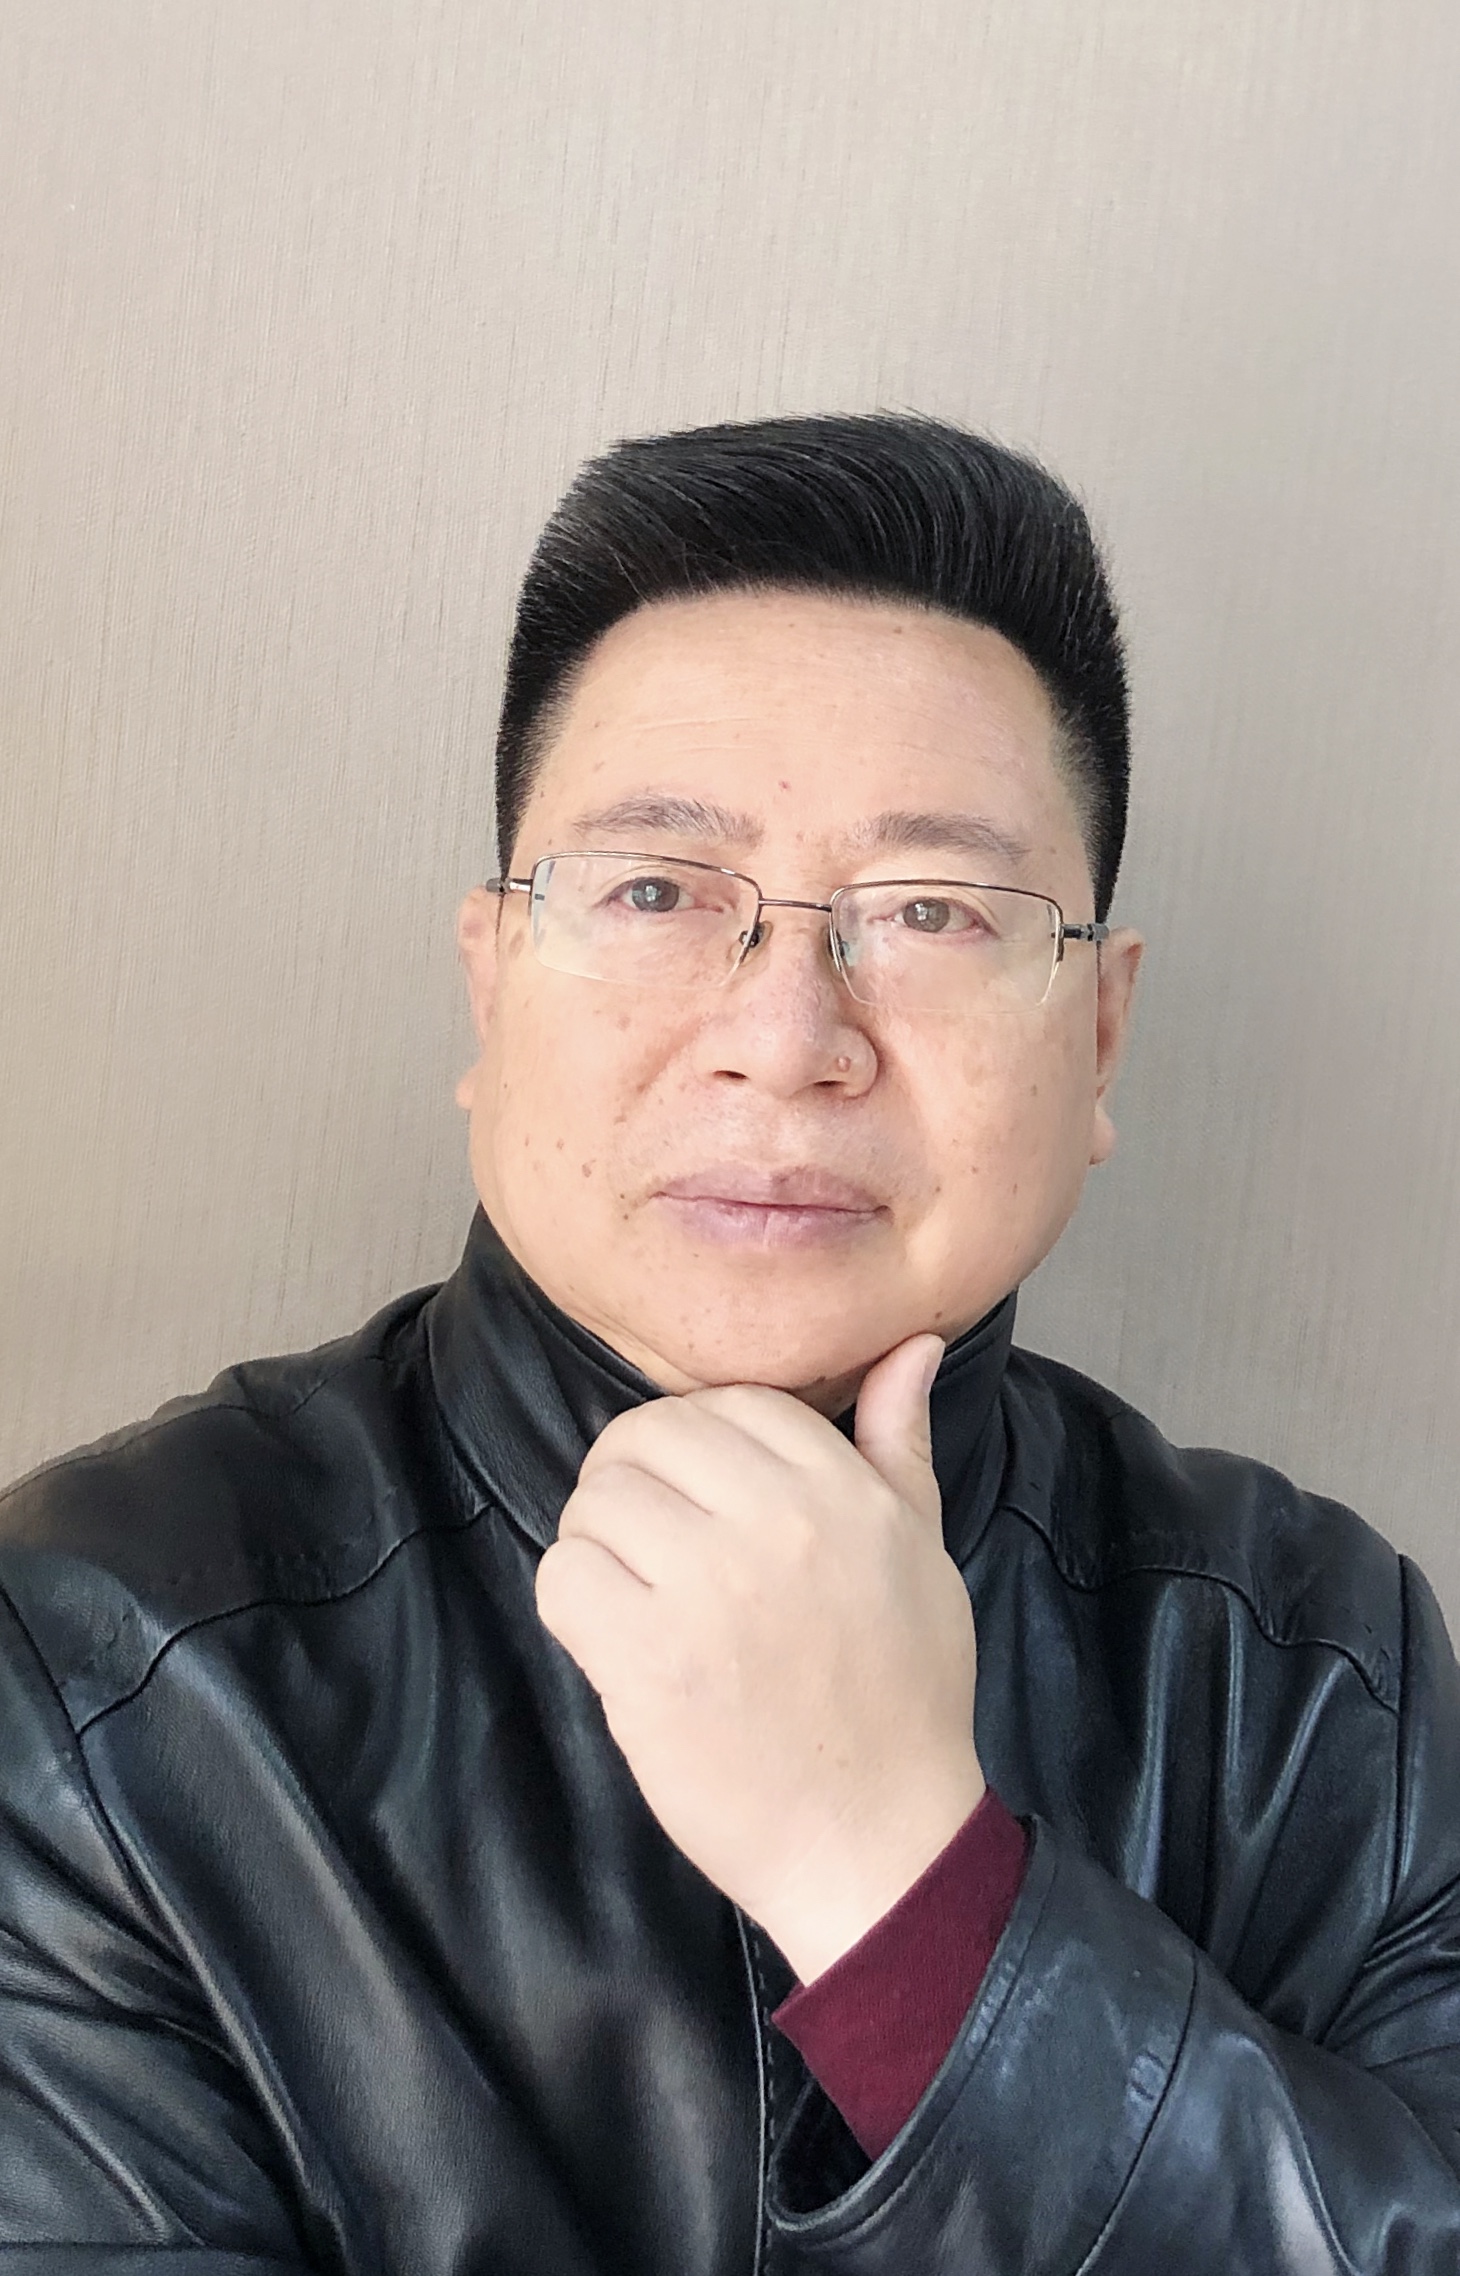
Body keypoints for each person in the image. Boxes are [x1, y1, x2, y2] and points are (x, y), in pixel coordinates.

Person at [1, 414, 1457, 2276]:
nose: (785, 1039)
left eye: (930, 911)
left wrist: (909, 1898)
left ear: (1099, 1036)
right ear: (489, 986)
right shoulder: (94, 1670)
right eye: (657, 892)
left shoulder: (1315, 1674)